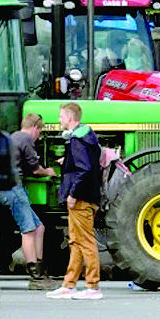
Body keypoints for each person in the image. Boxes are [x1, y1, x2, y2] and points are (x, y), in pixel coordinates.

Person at [47, 102, 103, 300]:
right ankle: (68, 285)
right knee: (76, 241)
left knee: (85, 242)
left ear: (69, 118)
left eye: (61, 116)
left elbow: (84, 169)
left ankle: (92, 286)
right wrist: (67, 161)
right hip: (89, 195)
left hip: (81, 198)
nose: (59, 120)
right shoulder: (87, 137)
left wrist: (72, 193)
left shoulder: (77, 140)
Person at [0, 113, 57, 289]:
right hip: (13, 189)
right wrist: (49, 171)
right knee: (28, 230)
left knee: (39, 227)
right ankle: (36, 278)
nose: (39, 136)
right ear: (35, 128)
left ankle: (41, 269)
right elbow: (35, 169)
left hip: (8, 189)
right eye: (40, 132)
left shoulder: (13, 136)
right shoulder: (26, 139)